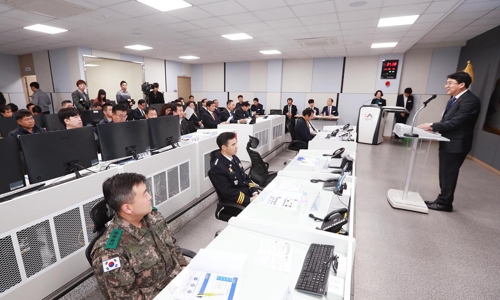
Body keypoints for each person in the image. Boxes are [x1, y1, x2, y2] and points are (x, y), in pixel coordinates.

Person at [91, 173, 188, 300]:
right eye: (145, 194)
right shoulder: (109, 252)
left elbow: (172, 246)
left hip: (181, 283)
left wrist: (186, 269)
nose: (150, 196)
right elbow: (126, 297)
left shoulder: (154, 217)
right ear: (128, 208)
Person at [417, 71, 481, 212]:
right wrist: (436, 128)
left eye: (450, 83)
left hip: (457, 144)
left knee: (449, 173)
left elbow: (457, 122)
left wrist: (433, 125)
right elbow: (447, 121)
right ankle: (441, 199)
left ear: (462, 85)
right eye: (447, 83)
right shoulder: (454, 99)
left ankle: (445, 203)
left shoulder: (470, 101)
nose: (446, 86)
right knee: (444, 172)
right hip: (448, 141)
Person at [210, 132, 259, 208]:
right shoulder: (218, 168)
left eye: (236, 143)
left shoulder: (234, 158)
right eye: (233, 145)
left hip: (248, 194)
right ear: (224, 147)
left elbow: (245, 177)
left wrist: (254, 191)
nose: (236, 147)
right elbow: (228, 193)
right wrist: (249, 199)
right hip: (236, 203)